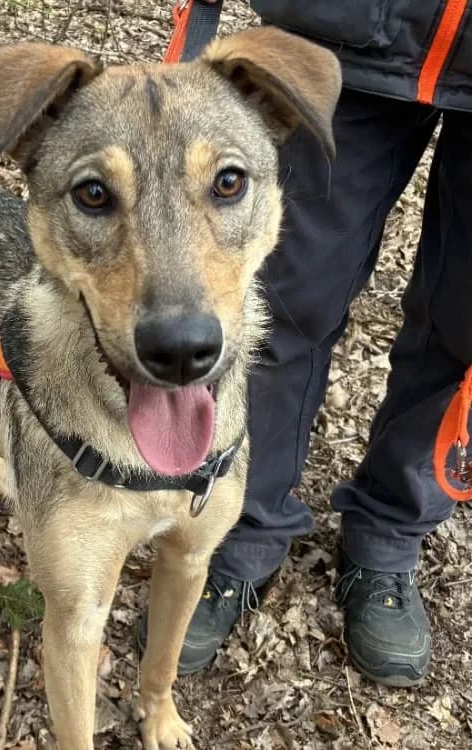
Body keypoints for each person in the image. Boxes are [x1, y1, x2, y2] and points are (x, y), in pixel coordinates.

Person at [160, 0, 472, 687]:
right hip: (349, 33)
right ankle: (242, 534)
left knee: (464, 329)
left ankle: (388, 533)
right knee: (281, 304)